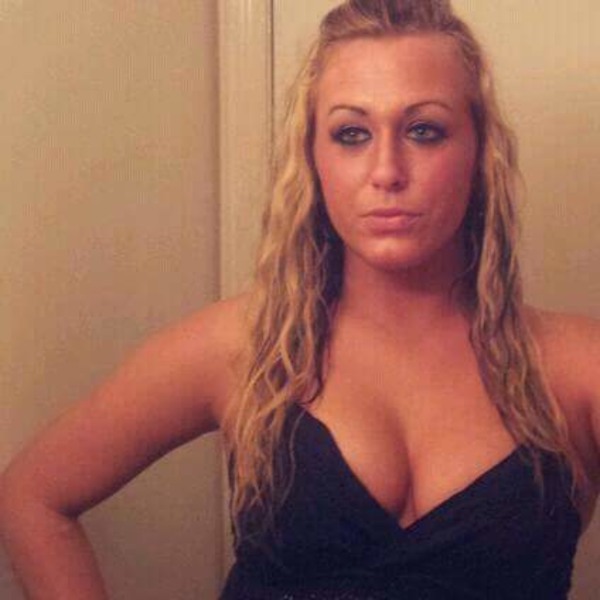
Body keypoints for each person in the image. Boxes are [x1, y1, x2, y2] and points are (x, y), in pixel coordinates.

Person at [0, 0, 598, 598]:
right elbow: (33, 495)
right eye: (352, 134)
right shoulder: (242, 349)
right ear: (313, 157)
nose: (387, 170)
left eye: (424, 130)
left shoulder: (577, 369)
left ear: (480, 151)